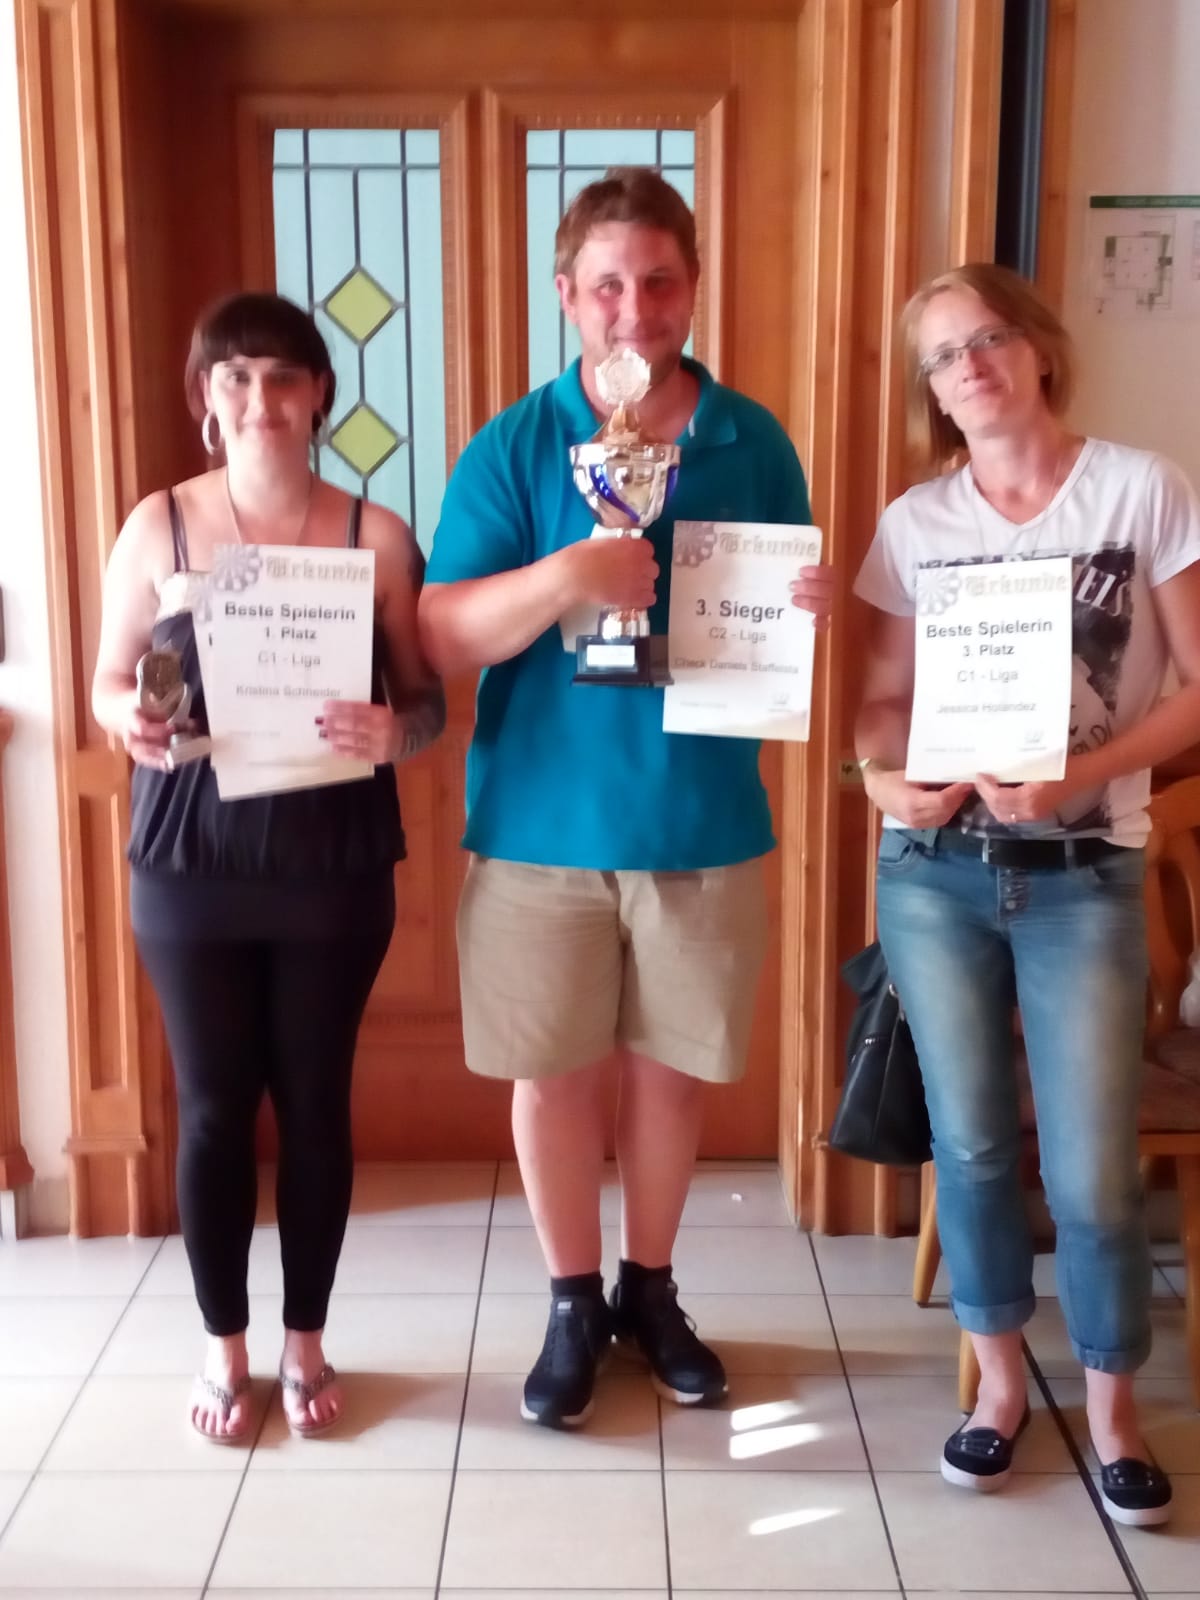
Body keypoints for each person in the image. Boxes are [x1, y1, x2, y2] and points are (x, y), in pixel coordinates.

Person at [419, 167, 833, 1429]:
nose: (634, 308)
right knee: (550, 1078)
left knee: (671, 1078)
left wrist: (806, 612)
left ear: (692, 287)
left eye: (658, 281)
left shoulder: (752, 440)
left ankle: (649, 1290)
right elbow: (443, 631)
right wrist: (569, 575)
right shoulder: (516, 443)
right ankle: (569, 1302)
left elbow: (782, 629)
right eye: (607, 284)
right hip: (539, 827)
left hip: (700, 819)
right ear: (567, 294)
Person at [854, 262, 1200, 1526]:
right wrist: (880, 774)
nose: (973, 365)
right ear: (934, 393)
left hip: (1085, 873)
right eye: (945, 356)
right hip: (936, 875)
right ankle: (999, 1387)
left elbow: (1198, 686)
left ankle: (1112, 1408)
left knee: (1095, 1164)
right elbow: (881, 702)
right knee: (975, 1145)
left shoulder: (1141, 489)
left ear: (1040, 347)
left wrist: (1079, 776)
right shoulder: (915, 522)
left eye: (991, 336)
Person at [92, 292, 445, 1442]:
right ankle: (223, 1345)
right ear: (207, 396)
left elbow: (428, 701)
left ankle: (305, 1340)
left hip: (331, 864)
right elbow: (110, 681)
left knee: (315, 1104)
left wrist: (396, 730)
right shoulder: (159, 526)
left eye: (283, 376)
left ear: (319, 394)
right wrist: (127, 720)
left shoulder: (373, 535)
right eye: (236, 376)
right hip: (188, 862)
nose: (260, 398)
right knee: (210, 1110)